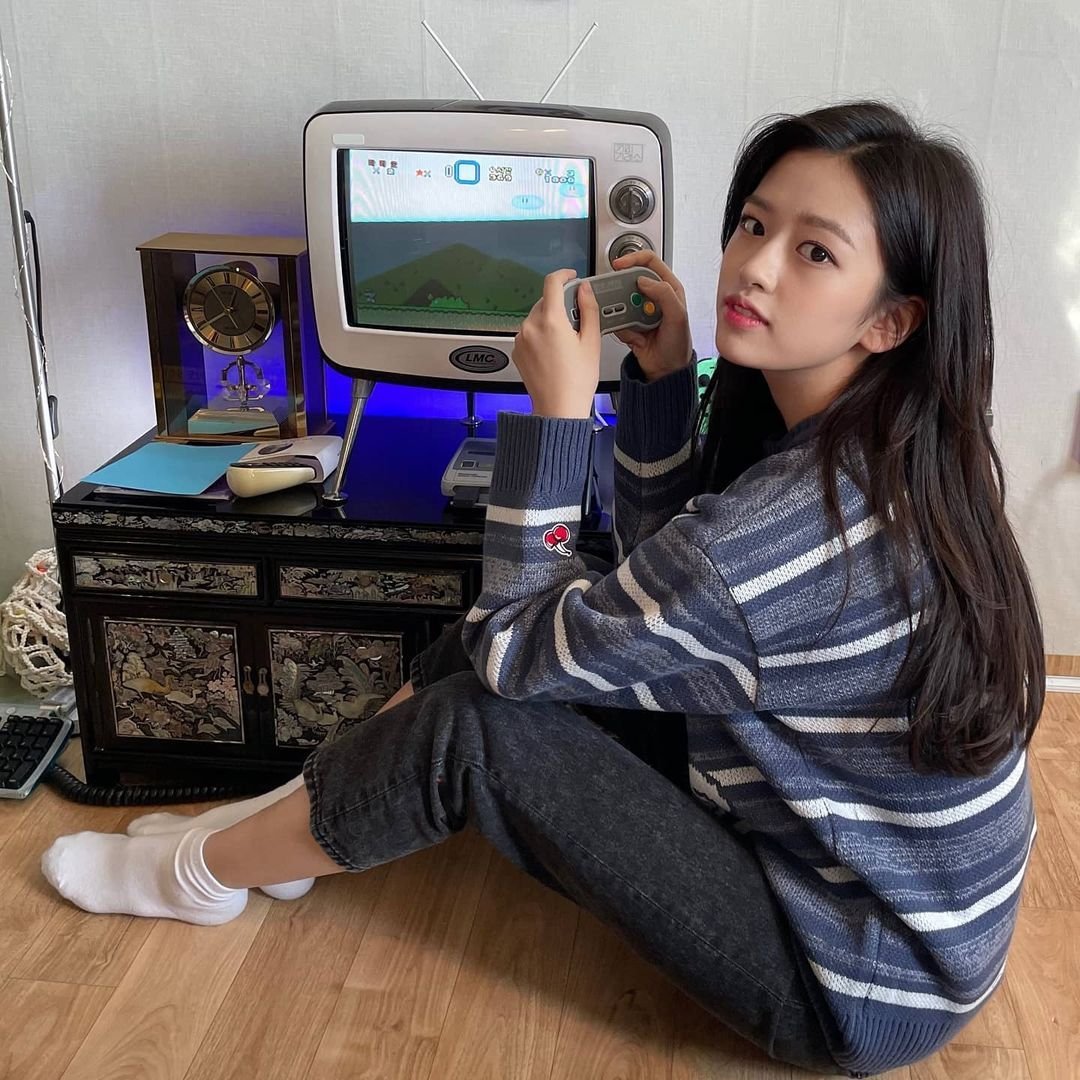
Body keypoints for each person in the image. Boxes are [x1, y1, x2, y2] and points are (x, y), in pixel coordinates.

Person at [41, 100, 1044, 1078]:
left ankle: (196, 874)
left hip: (852, 975)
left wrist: (558, 423)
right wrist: (660, 379)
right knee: (499, 641)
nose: (755, 265)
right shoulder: (885, 443)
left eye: (815, 251)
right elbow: (660, 596)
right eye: (753, 223)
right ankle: (272, 836)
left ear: (891, 320)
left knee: (479, 717)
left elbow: (519, 653)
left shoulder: (790, 529)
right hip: (876, 887)